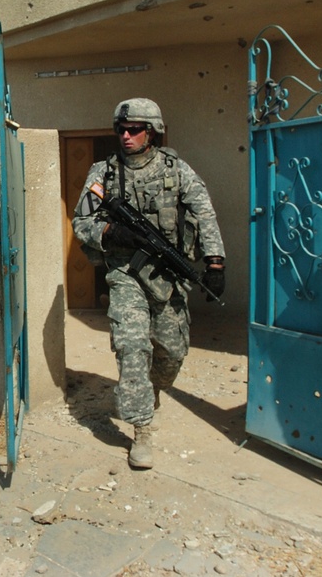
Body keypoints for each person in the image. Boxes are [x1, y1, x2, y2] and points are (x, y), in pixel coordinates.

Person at [71, 98, 225, 469]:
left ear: (151, 132)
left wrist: (215, 262)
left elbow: (204, 213)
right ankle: (141, 429)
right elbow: (81, 222)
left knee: (172, 353)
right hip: (125, 273)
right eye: (121, 130)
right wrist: (113, 232)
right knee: (131, 346)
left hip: (168, 275)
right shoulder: (102, 174)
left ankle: (152, 389)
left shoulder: (176, 169)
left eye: (134, 130)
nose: (126, 136)